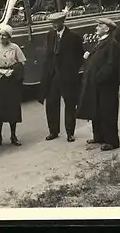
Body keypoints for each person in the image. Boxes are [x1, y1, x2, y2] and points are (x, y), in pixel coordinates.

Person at [38, 12, 84, 142]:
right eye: (52, 23)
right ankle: (53, 131)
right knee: (51, 104)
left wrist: (72, 70)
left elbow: (80, 56)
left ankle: (70, 132)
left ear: (62, 22)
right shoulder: (50, 35)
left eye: (56, 23)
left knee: (69, 103)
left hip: (67, 76)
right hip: (52, 76)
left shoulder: (73, 37)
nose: (53, 25)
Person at [77, 18, 120, 151]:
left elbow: (111, 65)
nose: (96, 28)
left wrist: (98, 78)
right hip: (97, 84)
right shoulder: (100, 42)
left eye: (99, 25)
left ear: (106, 28)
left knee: (107, 112)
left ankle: (111, 141)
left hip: (106, 85)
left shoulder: (111, 43)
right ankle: (99, 136)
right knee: (96, 110)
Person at [0, 25, 26, 147]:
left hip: (11, 79)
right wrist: (0, 71)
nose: (2, 37)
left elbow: (22, 61)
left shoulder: (14, 47)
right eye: (1, 35)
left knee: (12, 107)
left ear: (9, 37)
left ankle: (13, 135)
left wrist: (14, 70)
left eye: (5, 35)